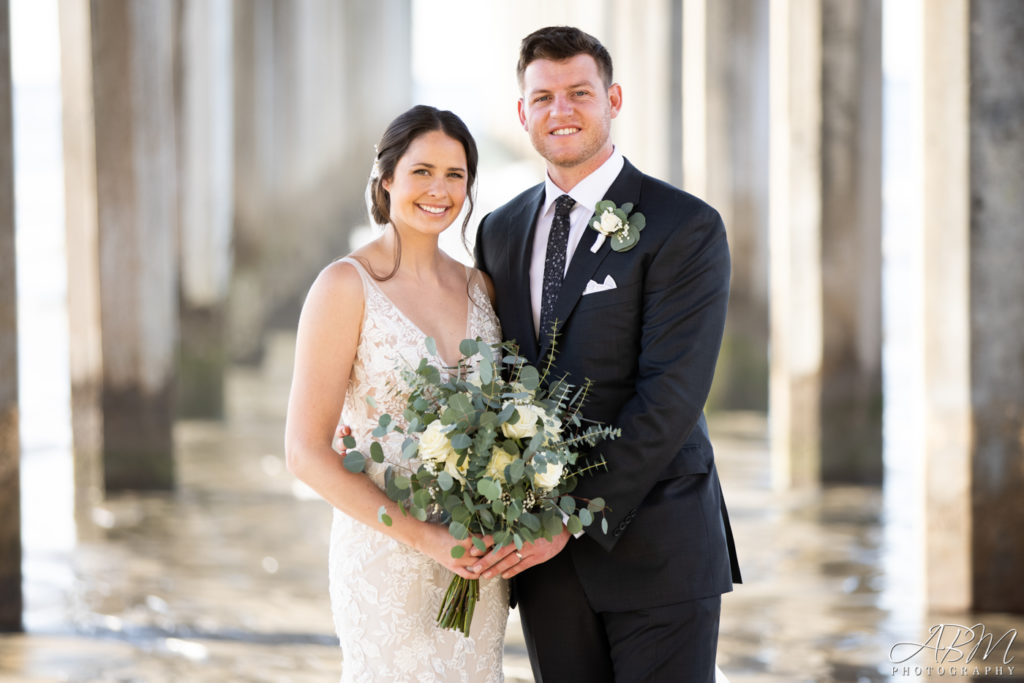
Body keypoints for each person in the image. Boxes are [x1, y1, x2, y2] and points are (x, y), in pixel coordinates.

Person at [471, 26, 741, 682]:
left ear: (613, 99)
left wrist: (566, 517)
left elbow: (670, 397)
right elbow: (496, 379)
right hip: (545, 567)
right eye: (543, 97)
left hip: (658, 551)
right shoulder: (499, 230)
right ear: (522, 113)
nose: (560, 110)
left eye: (579, 93)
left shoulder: (686, 226)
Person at [285, 105, 509, 682]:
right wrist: (424, 538)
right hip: (386, 557)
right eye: (422, 172)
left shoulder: (479, 286)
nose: (439, 190)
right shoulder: (344, 286)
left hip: (473, 558)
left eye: (455, 175)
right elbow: (305, 453)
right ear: (386, 179)